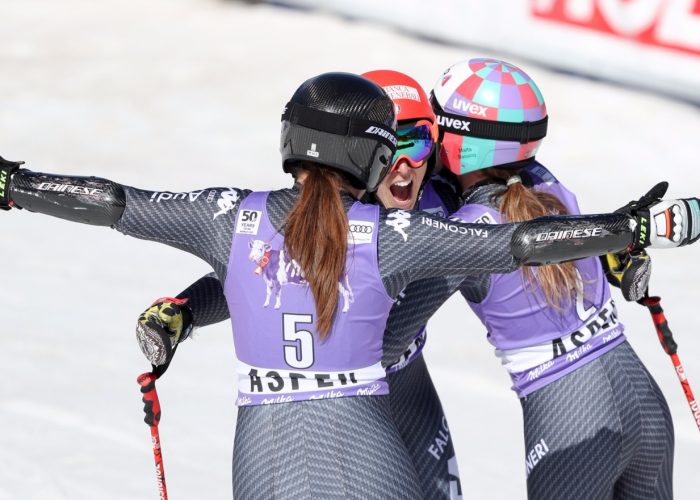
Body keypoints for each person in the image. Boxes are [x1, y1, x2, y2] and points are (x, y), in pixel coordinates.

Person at [0, 71, 696, 499]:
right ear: (367, 153)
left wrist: (13, 186)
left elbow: (113, 200)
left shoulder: (227, 216)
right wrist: (632, 230)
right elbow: (517, 244)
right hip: (362, 441)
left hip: (259, 451)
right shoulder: (388, 237)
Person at [138, 69, 465, 499]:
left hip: (407, 390)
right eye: (393, 145)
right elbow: (260, 270)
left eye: (418, 142)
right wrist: (185, 309)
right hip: (340, 407)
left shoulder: (446, 200)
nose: (403, 166)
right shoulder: (333, 212)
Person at [431, 57, 687, 499]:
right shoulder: (548, 187)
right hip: (641, 396)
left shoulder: (469, 232)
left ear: (461, 142)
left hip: (570, 416)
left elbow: (387, 338)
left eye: (436, 125)